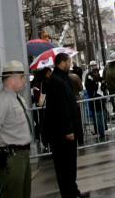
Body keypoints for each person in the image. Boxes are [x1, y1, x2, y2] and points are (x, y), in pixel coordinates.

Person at [0, 61, 32, 198]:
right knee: (13, 194)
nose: (24, 80)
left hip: (22, 155)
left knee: (24, 193)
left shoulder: (16, 99)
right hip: (12, 156)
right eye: (21, 77)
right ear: (12, 79)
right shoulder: (1, 101)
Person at [45, 53, 88, 198]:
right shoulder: (56, 81)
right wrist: (68, 129)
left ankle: (73, 191)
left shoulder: (62, 79)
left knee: (70, 165)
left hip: (66, 131)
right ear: (62, 63)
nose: (70, 64)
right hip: (62, 134)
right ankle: (69, 193)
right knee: (65, 166)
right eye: (69, 61)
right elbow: (61, 108)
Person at [84, 61, 108, 141]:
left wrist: (104, 86)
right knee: (97, 116)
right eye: (95, 72)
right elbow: (90, 87)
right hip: (94, 101)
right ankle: (100, 131)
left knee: (103, 115)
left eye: (97, 72)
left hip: (101, 100)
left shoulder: (101, 79)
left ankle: (103, 130)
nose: (97, 73)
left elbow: (104, 84)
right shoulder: (89, 77)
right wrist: (96, 83)